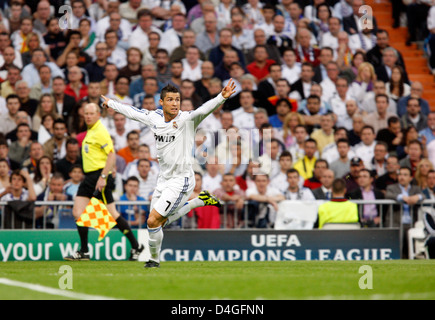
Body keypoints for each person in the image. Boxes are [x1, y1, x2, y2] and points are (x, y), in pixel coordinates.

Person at [101, 79, 238, 268]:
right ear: (161, 102)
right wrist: (111, 103)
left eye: (178, 100)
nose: (175, 104)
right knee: (156, 223)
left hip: (182, 179)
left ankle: (153, 261)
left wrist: (221, 97)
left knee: (153, 219)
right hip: (163, 179)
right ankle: (198, 201)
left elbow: (203, 110)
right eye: (171, 100)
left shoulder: (186, 120)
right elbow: (133, 112)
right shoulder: (154, 117)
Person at [63, 102, 144, 262]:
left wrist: (104, 176)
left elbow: (111, 154)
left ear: (98, 115)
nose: (88, 116)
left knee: (113, 215)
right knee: (78, 213)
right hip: (89, 177)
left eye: (91, 113)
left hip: (99, 177)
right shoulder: (90, 131)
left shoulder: (100, 131)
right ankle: (84, 251)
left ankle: (136, 246)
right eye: (86, 113)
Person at [385, 166, 424, 258]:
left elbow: (423, 195)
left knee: (411, 248)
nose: (402, 177)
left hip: (411, 223)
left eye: (405, 175)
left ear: (410, 178)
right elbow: (388, 195)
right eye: (400, 174)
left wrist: (417, 197)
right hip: (396, 223)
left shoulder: (416, 189)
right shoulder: (391, 187)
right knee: (397, 248)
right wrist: (401, 197)